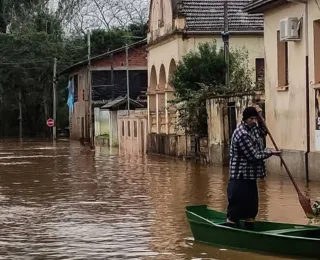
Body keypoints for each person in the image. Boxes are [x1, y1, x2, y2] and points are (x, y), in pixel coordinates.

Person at [226, 105, 281, 230]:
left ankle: (249, 228)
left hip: (251, 175)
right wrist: (271, 152)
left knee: (251, 208)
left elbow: (263, 131)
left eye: (255, 119)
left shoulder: (254, 127)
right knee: (237, 207)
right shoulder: (242, 134)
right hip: (240, 176)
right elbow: (254, 155)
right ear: (245, 119)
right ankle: (230, 229)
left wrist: (261, 118)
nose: (254, 121)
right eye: (252, 119)